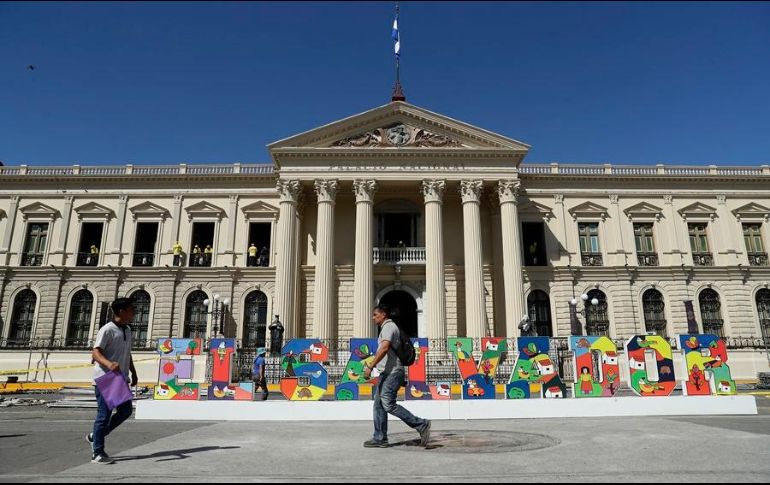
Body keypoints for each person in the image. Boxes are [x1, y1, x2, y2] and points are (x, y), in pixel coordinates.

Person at [362, 305, 431, 448]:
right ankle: (380, 438)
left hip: (392, 372)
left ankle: (421, 424)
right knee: (378, 406)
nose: (373, 317)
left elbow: (385, 347)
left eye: (375, 314)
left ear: (384, 314)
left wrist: (370, 366)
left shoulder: (388, 327)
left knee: (388, 404)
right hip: (387, 373)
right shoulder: (387, 328)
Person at [87, 298, 138, 464]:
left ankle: (96, 436)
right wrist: (109, 364)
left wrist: (133, 372)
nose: (134, 312)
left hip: (119, 378)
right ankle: (97, 452)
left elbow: (127, 353)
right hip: (106, 377)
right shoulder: (107, 330)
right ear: (121, 311)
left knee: (125, 411)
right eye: (131, 309)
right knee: (104, 415)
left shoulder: (128, 330)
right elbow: (95, 352)